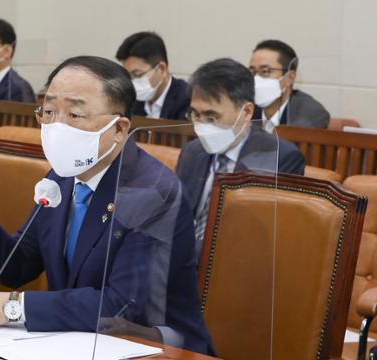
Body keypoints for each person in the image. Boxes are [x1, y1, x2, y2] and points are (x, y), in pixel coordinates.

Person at [0, 56, 213, 354]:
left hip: (154, 348)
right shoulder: (62, 176)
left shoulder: (154, 192)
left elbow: (120, 307)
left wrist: (14, 308)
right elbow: (17, 267)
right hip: (73, 340)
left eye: (74, 114)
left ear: (119, 129)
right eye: (48, 111)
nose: (56, 126)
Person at [176, 58, 305, 260]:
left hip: (235, 264)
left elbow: (256, 238)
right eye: (195, 114)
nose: (200, 125)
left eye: (211, 117)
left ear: (246, 112)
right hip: (183, 264)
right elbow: (179, 217)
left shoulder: (280, 157)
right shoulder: (193, 152)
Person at [249, 39, 330, 131]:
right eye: (252, 72)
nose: (256, 79)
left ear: (289, 77)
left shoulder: (310, 113)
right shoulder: (243, 109)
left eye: (265, 71)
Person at [115, 32, 189, 120]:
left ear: (162, 69)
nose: (132, 82)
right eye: (128, 76)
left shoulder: (186, 99)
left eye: (137, 74)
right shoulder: (131, 101)